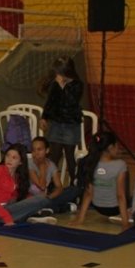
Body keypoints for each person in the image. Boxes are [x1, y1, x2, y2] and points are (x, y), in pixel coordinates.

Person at [0, 143, 56, 225]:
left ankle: (31, 216)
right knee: (42, 199)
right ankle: (32, 214)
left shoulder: (17, 176)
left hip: (9, 206)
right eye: (8, 156)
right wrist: (6, 218)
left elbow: (17, 196)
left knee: (41, 198)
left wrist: (30, 200)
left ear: (20, 162)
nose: (9, 159)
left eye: (14, 158)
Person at [70, 131, 130, 229]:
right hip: (115, 209)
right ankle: (127, 213)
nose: (118, 149)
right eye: (117, 146)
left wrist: (80, 219)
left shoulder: (90, 163)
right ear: (110, 148)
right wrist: (125, 223)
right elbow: (120, 195)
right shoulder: (120, 164)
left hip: (98, 207)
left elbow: (88, 193)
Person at [39, 56, 84, 184]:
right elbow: (50, 102)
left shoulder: (77, 85)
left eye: (60, 71)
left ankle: (74, 184)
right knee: (54, 156)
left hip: (70, 124)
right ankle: (52, 184)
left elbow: (70, 101)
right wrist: (44, 117)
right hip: (56, 124)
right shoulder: (55, 84)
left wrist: (62, 85)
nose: (57, 74)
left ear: (67, 71)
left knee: (70, 156)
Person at [28, 136, 79, 214]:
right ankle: (61, 207)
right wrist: (42, 168)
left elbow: (59, 187)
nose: (36, 153)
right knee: (38, 202)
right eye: (33, 150)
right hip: (30, 198)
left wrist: (49, 197)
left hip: (46, 197)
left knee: (74, 190)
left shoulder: (51, 165)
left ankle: (49, 207)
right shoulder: (29, 164)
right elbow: (41, 186)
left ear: (47, 150)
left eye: (39, 149)